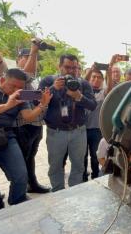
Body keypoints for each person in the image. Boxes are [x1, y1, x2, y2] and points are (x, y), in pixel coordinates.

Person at [0, 68, 51, 211]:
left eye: (20, 88)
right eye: (13, 86)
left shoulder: (20, 96)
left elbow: (28, 116)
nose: (16, 90)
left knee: (20, 175)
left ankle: (17, 201)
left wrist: (43, 104)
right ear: (3, 80)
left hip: (6, 136)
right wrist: (7, 105)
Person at [39, 54, 97, 192]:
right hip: (55, 132)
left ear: (78, 69)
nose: (71, 71)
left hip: (79, 131)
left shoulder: (83, 84)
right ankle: (58, 192)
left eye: (75, 68)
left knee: (78, 165)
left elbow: (93, 105)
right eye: (67, 67)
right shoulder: (48, 81)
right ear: (59, 67)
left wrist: (79, 96)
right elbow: (36, 100)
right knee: (55, 165)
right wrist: (53, 89)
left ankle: (74, 192)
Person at [14, 41, 51, 194]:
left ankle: (32, 183)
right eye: (27, 56)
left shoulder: (33, 79)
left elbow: (35, 97)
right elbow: (26, 77)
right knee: (22, 158)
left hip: (36, 123)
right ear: (18, 59)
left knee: (30, 156)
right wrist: (34, 51)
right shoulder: (14, 76)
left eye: (33, 57)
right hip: (23, 124)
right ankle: (19, 191)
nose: (32, 59)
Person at [82, 66, 106, 181]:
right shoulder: (82, 91)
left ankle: (96, 176)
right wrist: (91, 69)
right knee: (82, 156)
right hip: (82, 129)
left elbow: (110, 87)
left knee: (95, 156)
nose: (96, 79)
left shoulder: (103, 93)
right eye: (93, 77)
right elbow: (82, 82)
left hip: (96, 129)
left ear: (102, 80)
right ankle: (83, 178)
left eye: (99, 77)